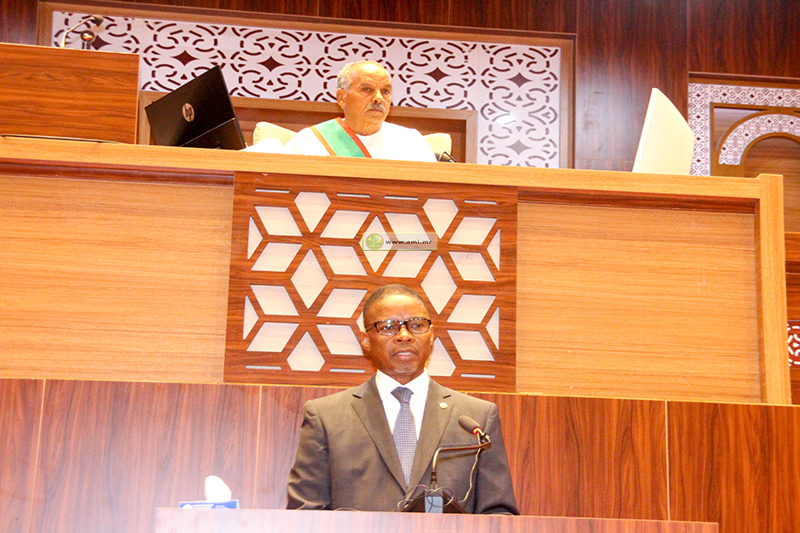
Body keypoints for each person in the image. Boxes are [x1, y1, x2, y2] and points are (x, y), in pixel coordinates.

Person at [286, 284, 519, 514]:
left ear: (431, 335)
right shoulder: (327, 417)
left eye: (417, 325)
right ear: (365, 340)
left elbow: (499, 516)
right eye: (388, 327)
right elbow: (306, 514)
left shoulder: (476, 419)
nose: (404, 336)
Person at [283, 61, 437, 162]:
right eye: (367, 89)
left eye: (385, 91)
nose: (378, 98)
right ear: (342, 97)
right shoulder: (311, 141)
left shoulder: (411, 142)